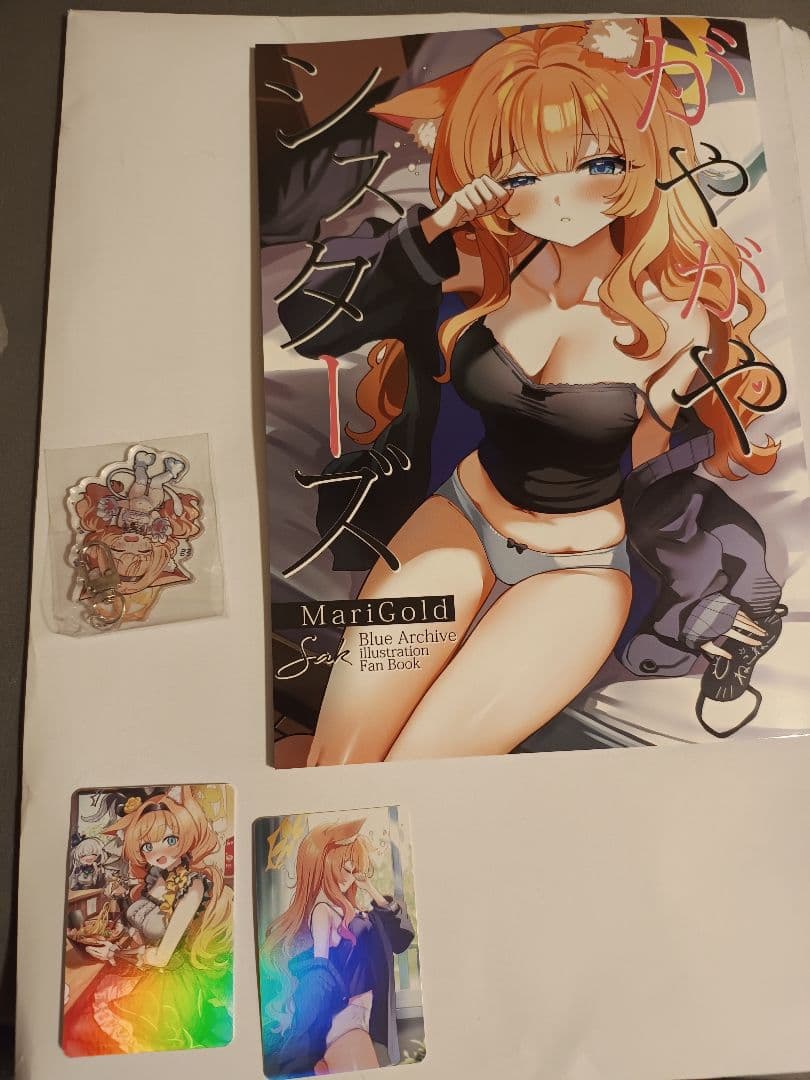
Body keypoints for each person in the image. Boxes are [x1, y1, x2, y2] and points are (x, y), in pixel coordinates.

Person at [276, 22, 786, 761]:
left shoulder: (681, 320)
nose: (562, 198)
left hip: (578, 573)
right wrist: (437, 224)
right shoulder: (484, 266)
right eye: (521, 176)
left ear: (642, 159)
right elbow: (310, 321)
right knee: (339, 763)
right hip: (456, 516)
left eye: (598, 163)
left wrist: (702, 584)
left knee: (420, 771)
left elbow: (655, 472)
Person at [62, 788, 233, 1056]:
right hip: (140, 968)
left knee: (93, 1032)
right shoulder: (156, 877)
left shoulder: (194, 886)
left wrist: (117, 953)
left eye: (170, 839)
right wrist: (111, 942)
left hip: (169, 982)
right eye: (147, 846)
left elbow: (161, 957)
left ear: (187, 835)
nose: (158, 852)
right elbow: (137, 928)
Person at [261, 819, 415, 1077]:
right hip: (345, 1020)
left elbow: (401, 940)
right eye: (343, 865)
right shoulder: (323, 911)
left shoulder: (359, 913)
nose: (350, 873)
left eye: (354, 865)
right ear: (321, 866)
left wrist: (369, 887)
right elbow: (319, 969)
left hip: (370, 1019)